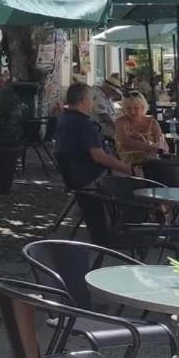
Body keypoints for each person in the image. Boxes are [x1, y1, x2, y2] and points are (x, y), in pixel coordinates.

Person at [54, 82, 132, 245]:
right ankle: (130, 228)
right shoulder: (82, 124)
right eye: (91, 99)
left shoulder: (65, 118)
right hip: (90, 177)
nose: (92, 103)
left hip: (74, 174)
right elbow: (99, 157)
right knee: (136, 181)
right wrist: (128, 169)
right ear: (83, 101)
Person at [114, 91, 166, 166]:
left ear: (143, 107)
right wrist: (152, 148)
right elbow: (126, 142)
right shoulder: (120, 121)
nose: (132, 112)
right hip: (128, 163)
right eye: (128, 108)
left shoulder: (152, 122)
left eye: (136, 108)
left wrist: (161, 149)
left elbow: (161, 141)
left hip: (152, 160)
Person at [90, 73, 123, 146]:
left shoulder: (106, 95)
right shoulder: (98, 95)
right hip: (102, 130)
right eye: (113, 92)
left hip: (109, 128)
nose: (114, 94)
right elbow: (103, 115)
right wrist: (116, 127)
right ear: (107, 88)